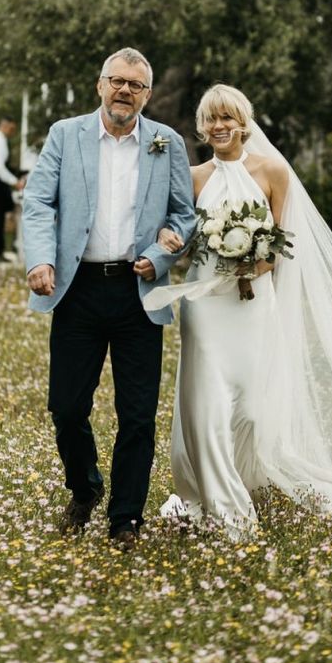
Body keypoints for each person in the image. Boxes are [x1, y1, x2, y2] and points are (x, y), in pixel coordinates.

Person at [145, 85, 332, 540]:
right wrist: (167, 249)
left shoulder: (273, 171)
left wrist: (253, 263)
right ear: (202, 127)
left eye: (228, 117)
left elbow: (282, 243)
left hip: (253, 302)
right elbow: (180, 239)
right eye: (211, 119)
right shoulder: (194, 176)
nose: (219, 126)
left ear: (243, 121)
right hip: (205, 304)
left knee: (255, 412)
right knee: (207, 408)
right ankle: (228, 514)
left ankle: (243, 478)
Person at [22, 47, 196, 550]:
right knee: (66, 408)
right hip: (77, 290)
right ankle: (85, 488)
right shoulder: (65, 134)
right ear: (100, 85)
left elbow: (185, 217)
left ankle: (126, 520)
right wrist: (40, 259)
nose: (124, 91)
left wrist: (160, 257)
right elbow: (38, 202)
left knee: (137, 414)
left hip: (138, 291)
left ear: (147, 93)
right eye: (116, 81)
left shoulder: (168, 143)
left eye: (135, 85)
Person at [0, 117, 24, 262]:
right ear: (4, 126)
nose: (12, 132)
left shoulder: (0, 141)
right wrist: (14, 182)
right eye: (12, 129)